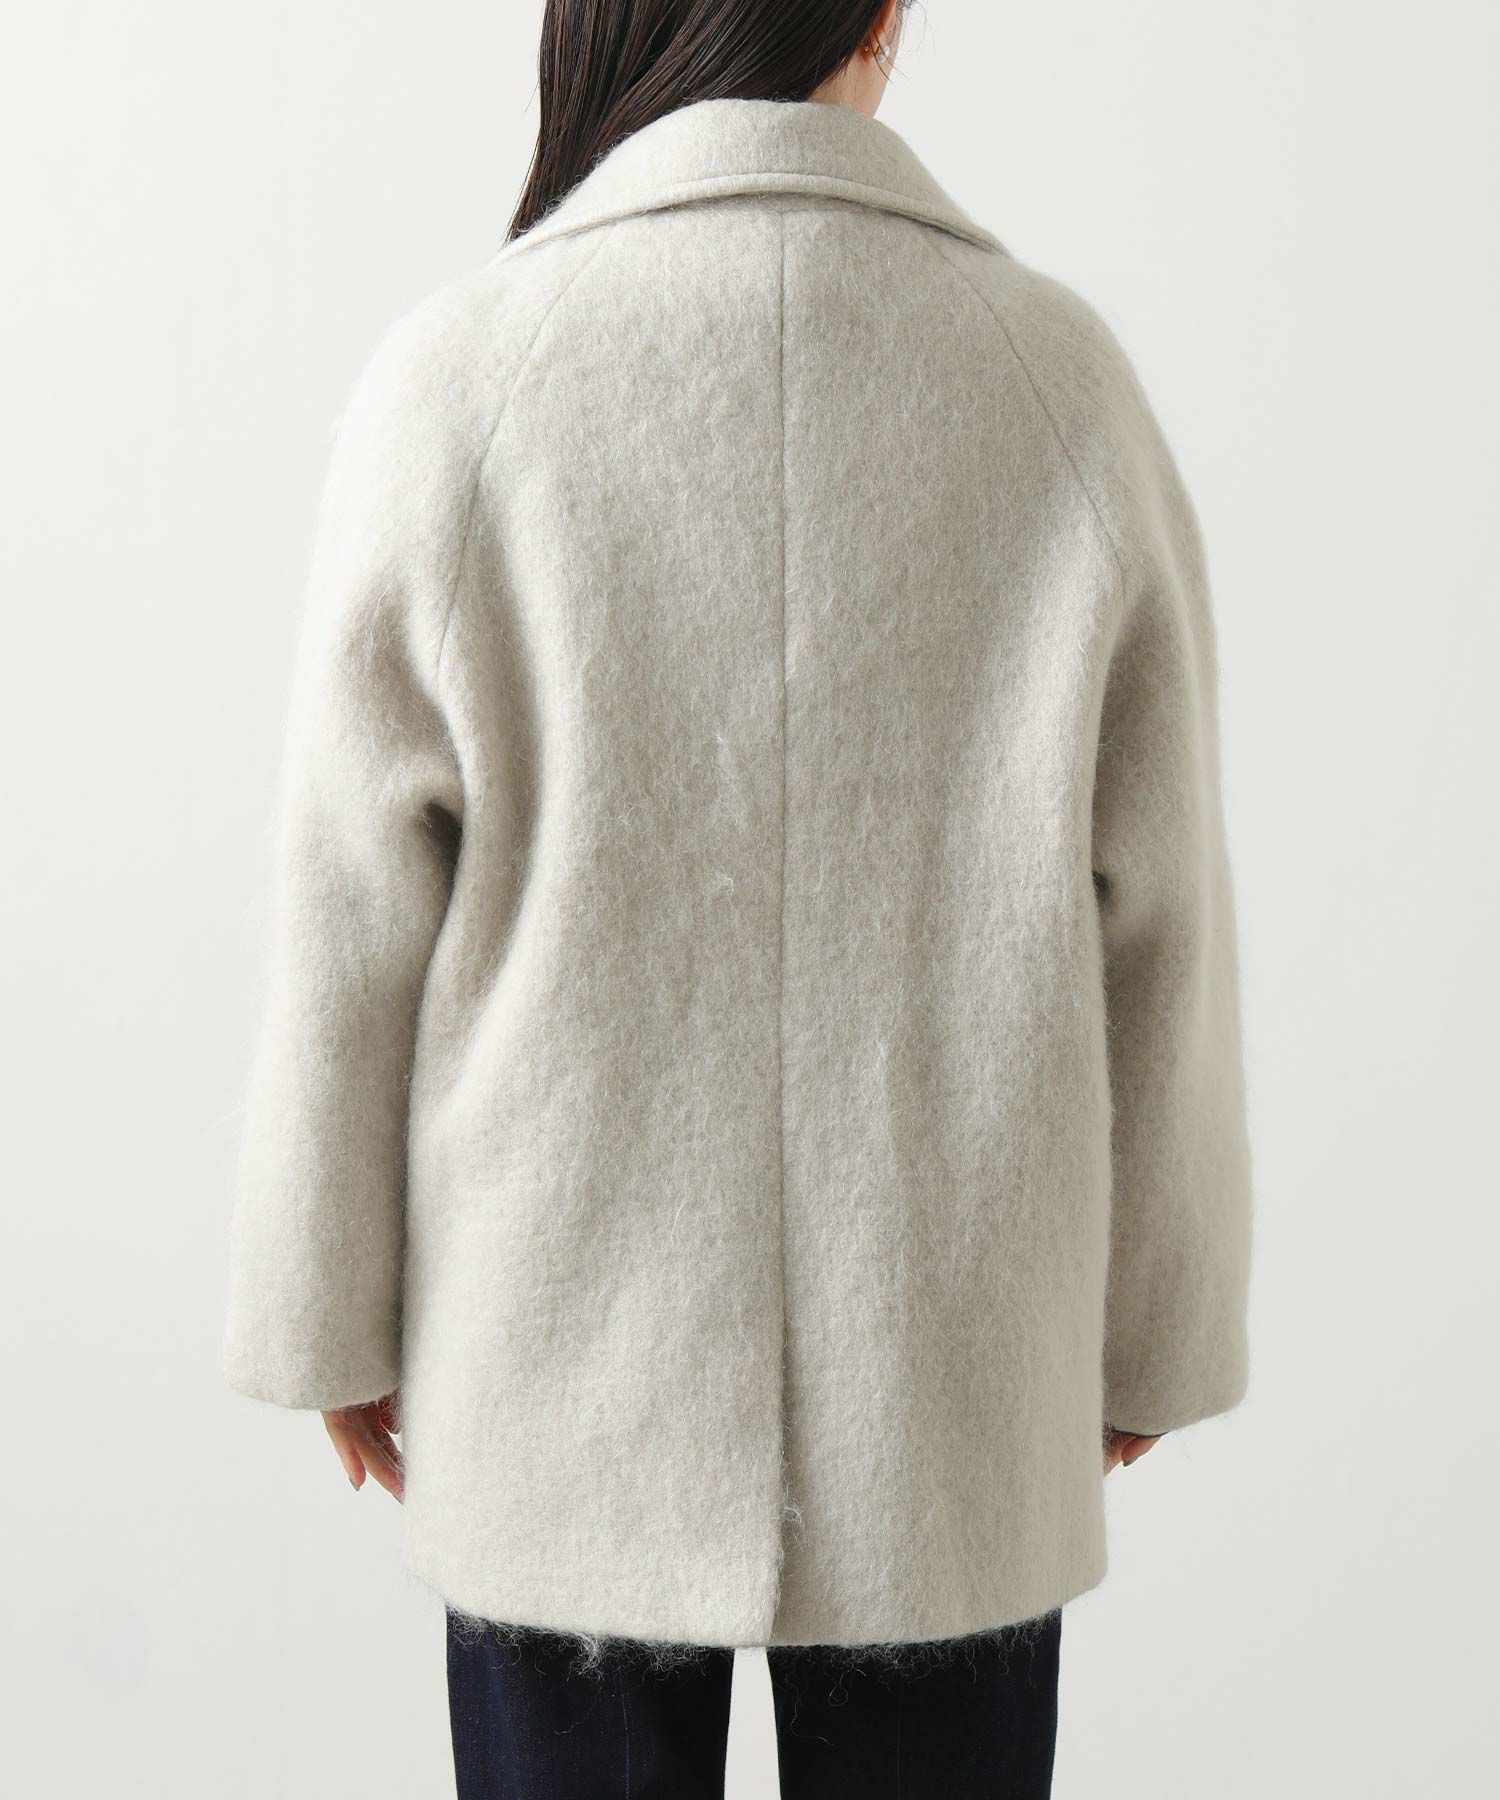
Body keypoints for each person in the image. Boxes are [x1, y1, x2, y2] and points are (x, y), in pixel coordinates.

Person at [222, 2, 1253, 1794]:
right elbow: (1162, 914)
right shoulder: (1056, 383)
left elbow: (349, 908)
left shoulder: (462, 380)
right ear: (882, 14)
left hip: (553, 1361)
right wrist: (1156, 1326)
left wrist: (328, 1307)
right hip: (951, 1369)